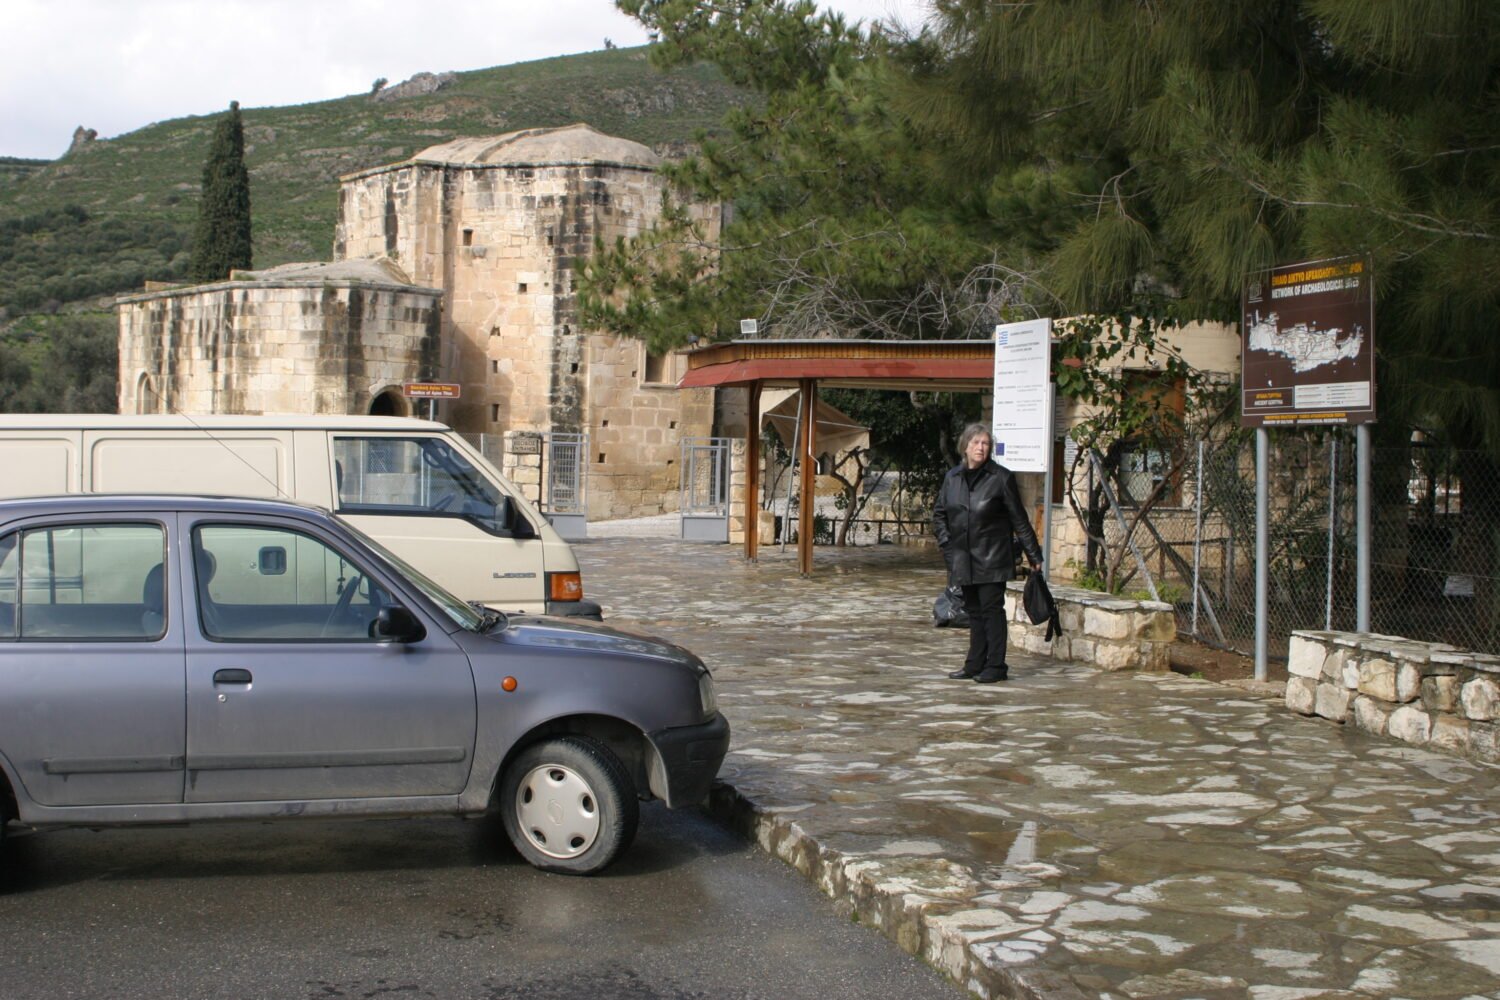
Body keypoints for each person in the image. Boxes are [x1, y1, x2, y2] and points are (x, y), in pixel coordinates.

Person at [932, 423, 1043, 683]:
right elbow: (939, 514)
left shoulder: (1000, 477)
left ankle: (996, 666)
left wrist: (1034, 556)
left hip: (992, 556)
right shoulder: (952, 478)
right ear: (965, 446)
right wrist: (947, 545)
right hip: (962, 557)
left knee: (991, 610)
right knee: (973, 611)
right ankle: (974, 663)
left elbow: (1020, 520)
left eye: (985, 444)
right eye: (976, 443)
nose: (981, 448)